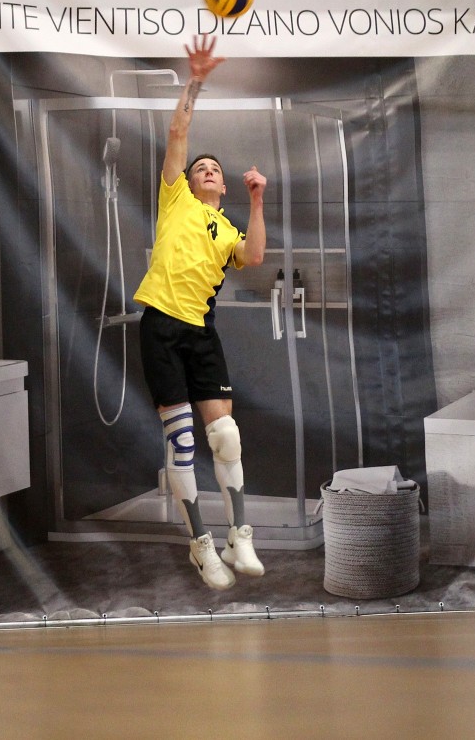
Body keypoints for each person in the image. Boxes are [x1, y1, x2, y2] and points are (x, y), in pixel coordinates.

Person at [133, 35, 268, 590]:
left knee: (226, 436)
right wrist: (195, 80)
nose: (208, 169)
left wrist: (256, 199)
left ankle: (240, 535)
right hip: (162, 327)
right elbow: (178, 134)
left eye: (214, 168)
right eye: (200, 168)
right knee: (184, 443)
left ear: (222, 185)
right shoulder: (176, 201)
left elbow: (254, 257)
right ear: (187, 181)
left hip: (201, 331)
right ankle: (200, 544)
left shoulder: (229, 228)